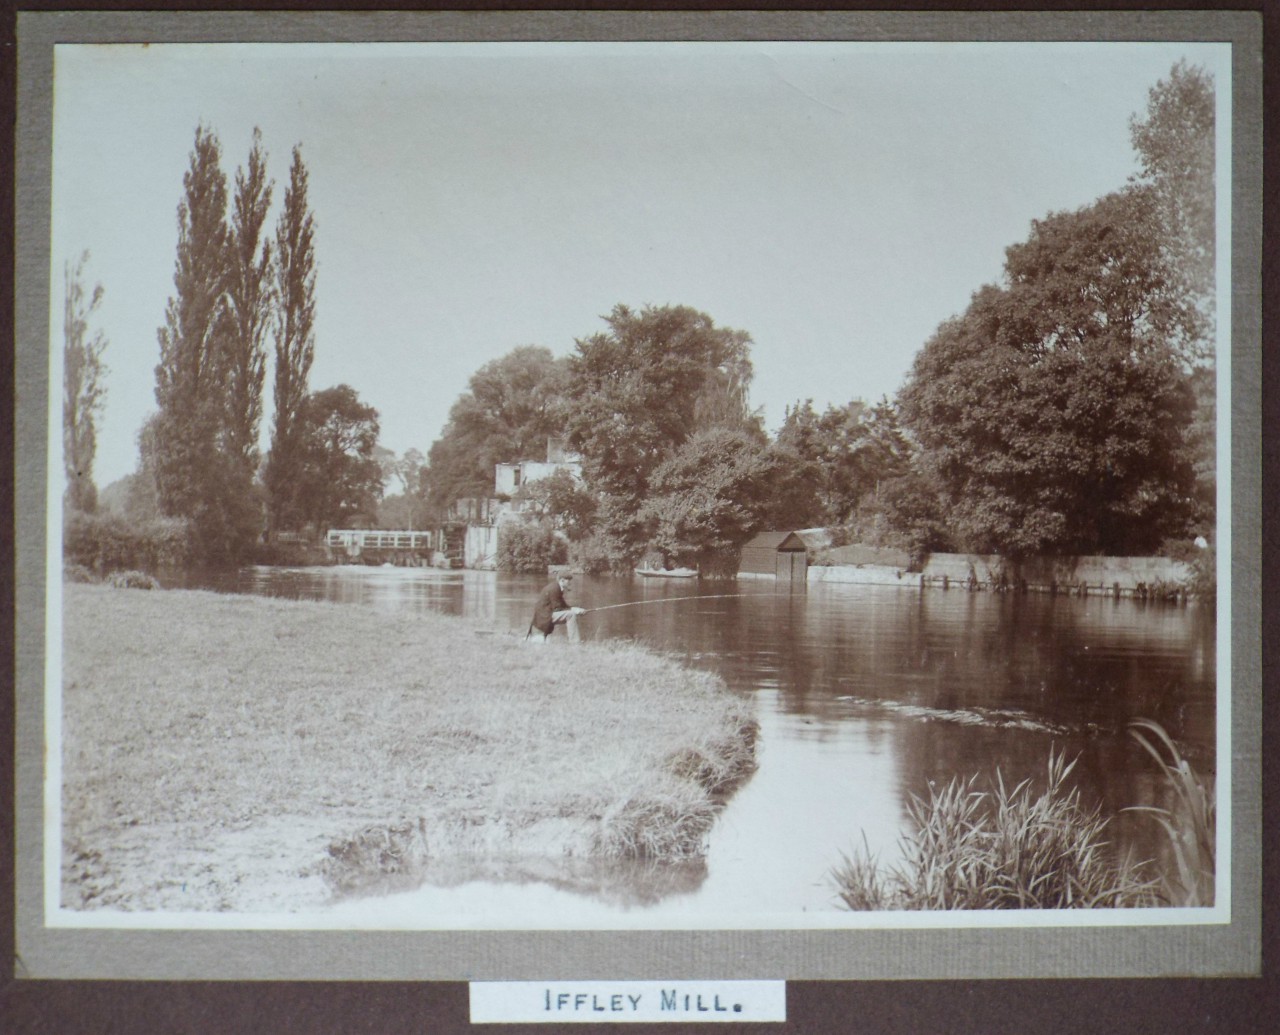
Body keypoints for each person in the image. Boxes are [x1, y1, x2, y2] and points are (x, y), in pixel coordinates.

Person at [527, 572, 586, 643]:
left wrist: (576, 609)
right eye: (568, 580)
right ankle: (575, 642)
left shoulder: (556, 587)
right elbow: (557, 608)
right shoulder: (554, 589)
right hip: (544, 617)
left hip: (545, 615)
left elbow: (563, 605)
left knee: (571, 613)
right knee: (571, 615)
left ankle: (574, 641)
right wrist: (574, 611)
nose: (570, 583)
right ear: (562, 580)